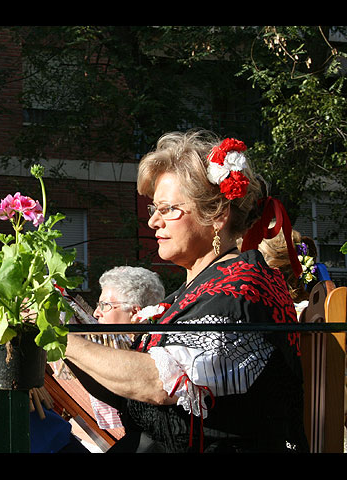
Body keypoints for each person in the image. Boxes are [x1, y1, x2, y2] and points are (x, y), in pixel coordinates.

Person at [64, 130, 308, 453]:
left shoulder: (243, 289)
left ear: (217, 214)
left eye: (168, 209)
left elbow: (159, 384)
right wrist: (59, 335)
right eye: (154, 209)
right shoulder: (198, 288)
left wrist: (61, 339)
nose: (153, 222)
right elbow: (131, 393)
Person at [88, 266, 165, 431]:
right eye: (98, 305)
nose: (96, 313)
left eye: (104, 305)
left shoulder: (156, 353)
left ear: (134, 311)